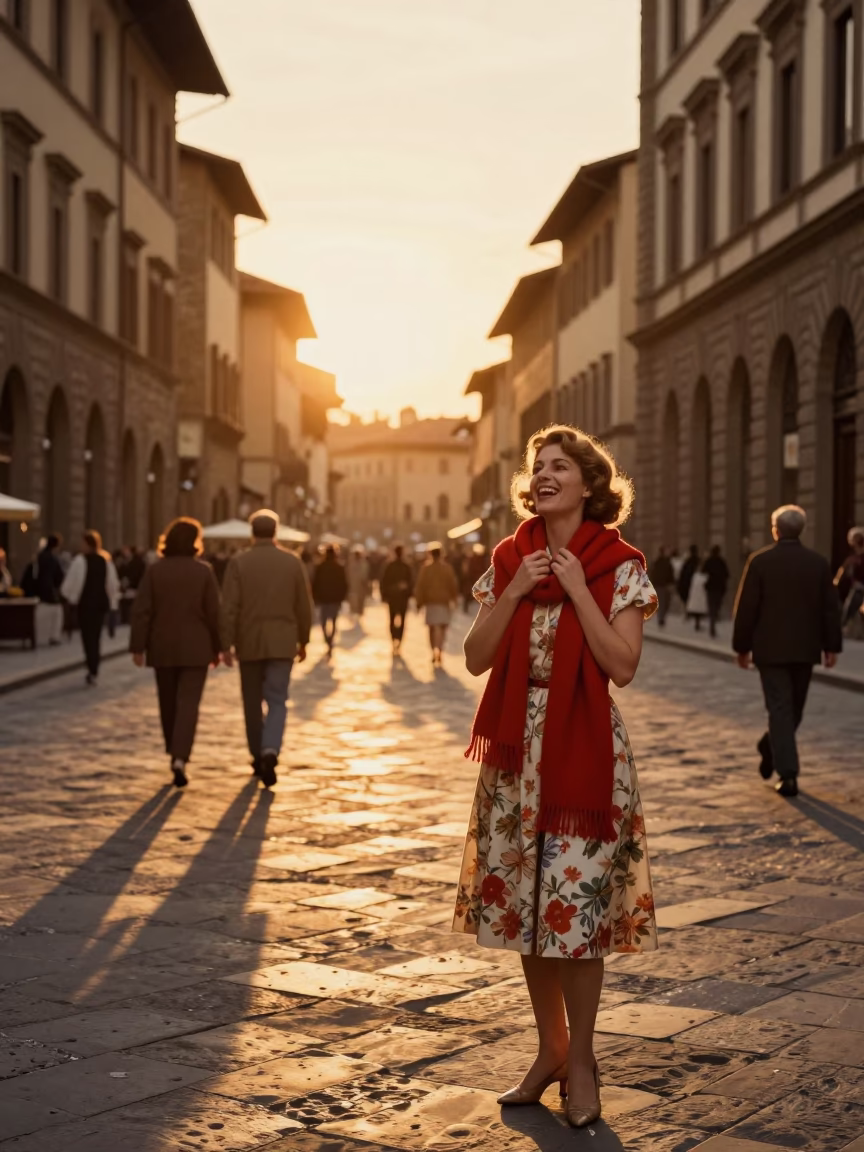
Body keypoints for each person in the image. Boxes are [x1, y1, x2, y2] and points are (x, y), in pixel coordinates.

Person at [453, 425, 657, 1129]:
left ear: (589, 482)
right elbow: (477, 657)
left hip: (584, 753)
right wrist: (513, 592)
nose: (542, 475)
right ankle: (549, 1050)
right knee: (526, 915)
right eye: (537, 465)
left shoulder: (619, 565)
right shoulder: (509, 556)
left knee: (575, 919)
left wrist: (576, 589)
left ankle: (584, 1061)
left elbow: (622, 667)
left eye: (559, 466)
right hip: (516, 760)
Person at [732, 504, 842, 798]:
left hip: (771, 648)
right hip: (803, 648)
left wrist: (741, 646)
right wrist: (831, 646)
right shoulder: (817, 563)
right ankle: (789, 774)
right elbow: (831, 610)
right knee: (787, 709)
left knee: (790, 711)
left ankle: (770, 744)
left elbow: (746, 609)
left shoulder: (761, 561)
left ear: (775, 530)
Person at [220, 510, 312, 787]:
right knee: (277, 700)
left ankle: (257, 753)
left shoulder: (239, 563)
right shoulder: (292, 562)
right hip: (283, 642)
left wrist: (226, 643)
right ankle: (271, 748)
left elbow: (230, 607)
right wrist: (304, 640)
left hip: (249, 642)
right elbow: (304, 606)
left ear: (252, 532)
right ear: (276, 532)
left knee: (251, 702)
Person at [130, 518, 221, 788]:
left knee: (167, 703)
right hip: (196, 648)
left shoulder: (155, 572)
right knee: (188, 705)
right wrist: (220, 647)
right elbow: (214, 614)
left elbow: (142, 611)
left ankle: (173, 750)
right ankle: (180, 756)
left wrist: (138, 646)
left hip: (163, 646)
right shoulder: (204, 572)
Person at [61, 531, 120, 685]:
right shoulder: (105, 561)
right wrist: (113, 603)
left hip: (86, 604)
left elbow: (71, 583)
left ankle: (92, 665)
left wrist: (70, 598)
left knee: (88, 636)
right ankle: (94, 665)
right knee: (95, 635)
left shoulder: (80, 561)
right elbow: (112, 585)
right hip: (99, 604)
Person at [413, 543, 459, 665]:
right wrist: (454, 598)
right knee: (443, 627)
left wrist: (419, 602)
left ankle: (434, 649)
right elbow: (452, 584)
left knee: (432, 628)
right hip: (443, 602)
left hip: (431, 602)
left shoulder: (426, 569)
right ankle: (440, 650)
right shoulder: (447, 568)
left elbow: (420, 586)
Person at [312, 545, 348, 656]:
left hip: (324, 598)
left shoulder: (320, 567)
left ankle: (328, 640)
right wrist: (342, 597)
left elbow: (314, 583)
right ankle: (330, 640)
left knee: (323, 622)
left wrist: (315, 597)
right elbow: (344, 584)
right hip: (334, 599)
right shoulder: (339, 567)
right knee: (333, 621)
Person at [380, 544, 414, 653]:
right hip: (400, 597)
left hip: (394, 597)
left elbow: (384, 582)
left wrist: (384, 595)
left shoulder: (391, 566)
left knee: (392, 619)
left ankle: (395, 639)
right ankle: (398, 640)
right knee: (401, 620)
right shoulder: (405, 566)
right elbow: (411, 583)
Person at [33, 534, 65, 645]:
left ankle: (41, 635)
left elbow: (34, 574)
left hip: (39, 589)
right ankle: (54, 636)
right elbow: (59, 575)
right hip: (50, 590)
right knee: (57, 612)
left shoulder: (40, 556)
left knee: (41, 613)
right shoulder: (53, 558)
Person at [839, 528, 864, 634]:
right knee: (848, 611)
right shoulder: (851, 559)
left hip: (858, 589)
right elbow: (841, 575)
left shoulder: (853, 559)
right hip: (855, 589)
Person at [701, 545, 730, 638]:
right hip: (720, 588)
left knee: (711, 606)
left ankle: (712, 624)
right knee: (717, 605)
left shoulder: (708, 561)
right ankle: (714, 618)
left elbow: (702, 571)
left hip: (711, 587)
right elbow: (727, 574)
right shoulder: (722, 561)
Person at [649, 546, 675, 626]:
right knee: (663, 602)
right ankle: (661, 618)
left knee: (665, 603)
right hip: (661, 585)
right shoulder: (660, 562)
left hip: (662, 584)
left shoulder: (662, 562)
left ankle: (661, 617)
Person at [346, 548, 370, 618]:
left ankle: (358, 612)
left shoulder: (362, 564)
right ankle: (356, 612)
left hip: (358, 586)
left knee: (358, 600)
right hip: (355, 586)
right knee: (356, 600)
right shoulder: (352, 564)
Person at [676, 544, 700, 612]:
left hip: (687, 584)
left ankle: (689, 611)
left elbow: (683, 574)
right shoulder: (698, 561)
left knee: (688, 599)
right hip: (696, 585)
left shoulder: (687, 562)